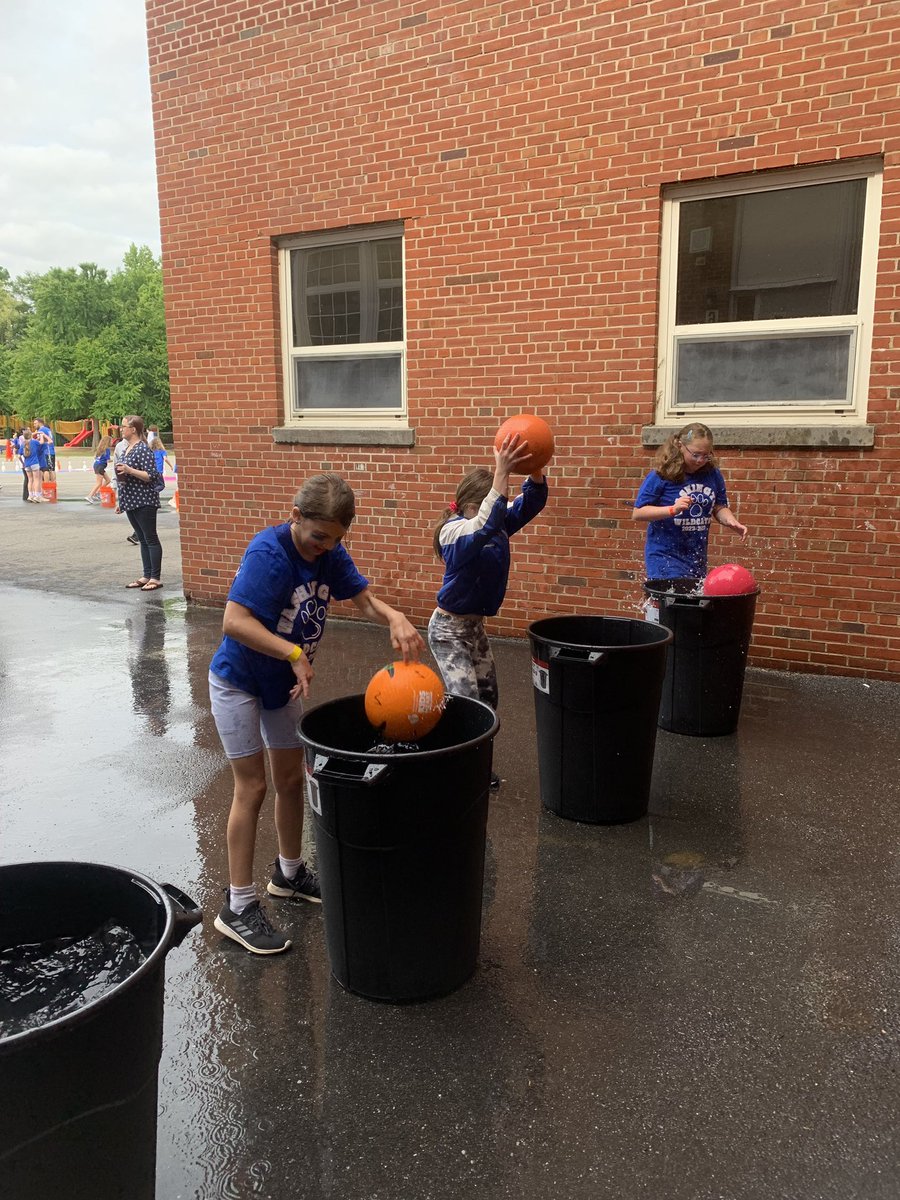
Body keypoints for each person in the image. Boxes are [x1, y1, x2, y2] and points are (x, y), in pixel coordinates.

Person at [209, 472, 424, 955]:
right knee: (254, 786)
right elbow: (234, 622)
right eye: (317, 536)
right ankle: (237, 907)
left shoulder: (328, 553)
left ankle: (288, 875)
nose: (323, 547)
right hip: (238, 681)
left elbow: (362, 599)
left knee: (291, 781)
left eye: (334, 540)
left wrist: (395, 616)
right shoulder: (270, 554)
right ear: (295, 517)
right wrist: (292, 653)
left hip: (283, 685)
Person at [427, 434, 548, 787]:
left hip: (474, 629)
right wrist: (500, 472)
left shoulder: (494, 524)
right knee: (466, 700)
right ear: (467, 504)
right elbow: (481, 526)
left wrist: (535, 468)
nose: (491, 512)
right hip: (448, 630)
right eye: (483, 506)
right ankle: (455, 772)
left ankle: (475, 765)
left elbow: (530, 503)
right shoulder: (454, 532)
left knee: (488, 700)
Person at [632, 422, 748, 595]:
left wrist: (730, 521)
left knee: (690, 611)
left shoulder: (712, 474)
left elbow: (719, 506)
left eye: (706, 455)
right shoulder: (662, 474)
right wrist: (672, 509)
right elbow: (638, 513)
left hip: (695, 557)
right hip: (665, 556)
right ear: (680, 446)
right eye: (695, 454)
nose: (700, 460)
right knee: (672, 609)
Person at [115, 415, 164, 590]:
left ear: (133, 429)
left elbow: (151, 475)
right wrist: (121, 500)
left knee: (150, 538)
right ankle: (146, 574)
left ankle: (155, 578)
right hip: (131, 499)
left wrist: (129, 470)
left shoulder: (143, 449)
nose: (121, 429)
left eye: (123, 426)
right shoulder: (126, 449)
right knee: (142, 539)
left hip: (144, 500)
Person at [86, 435, 112, 502]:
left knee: (108, 480)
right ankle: (90, 496)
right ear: (108, 442)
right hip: (100, 466)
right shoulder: (107, 449)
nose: (112, 442)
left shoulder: (100, 448)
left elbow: (95, 457)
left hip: (97, 465)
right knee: (99, 483)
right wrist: (114, 460)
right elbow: (108, 460)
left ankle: (97, 493)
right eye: (111, 441)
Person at [21, 429, 44, 502]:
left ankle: (30, 495)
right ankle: (37, 496)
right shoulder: (34, 442)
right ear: (31, 435)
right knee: (36, 480)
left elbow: (19, 455)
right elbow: (42, 442)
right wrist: (42, 435)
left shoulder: (23, 444)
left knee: (30, 480)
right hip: (34, 463)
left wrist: (22, 463)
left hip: (27, 464)